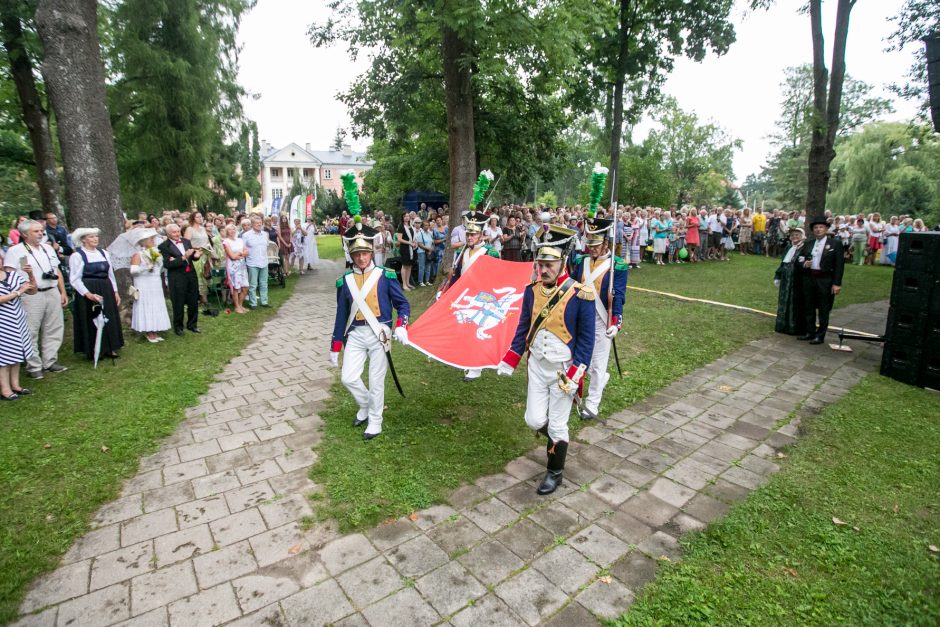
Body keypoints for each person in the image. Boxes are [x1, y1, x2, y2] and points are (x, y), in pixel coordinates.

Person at [497, 225, 595, 495]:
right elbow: (523, 328)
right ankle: (557, 442)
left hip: (564, 371)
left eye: (549, 264)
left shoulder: (580, 293)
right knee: (533, 419)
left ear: (562, 262)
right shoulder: (531, 291)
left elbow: (587, 342)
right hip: (537, 367)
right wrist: (511, 359)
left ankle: (555, 472)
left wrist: (575, 375)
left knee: (558, 423)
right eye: (541, 264)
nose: (543, 270)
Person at [329, 224, 410, 440]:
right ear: (352, 255)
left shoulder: (386, 276)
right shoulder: (344, 281)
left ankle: (375, 420)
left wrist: (402, 325)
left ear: (371, 253)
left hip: (379, 334)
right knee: (348, 378)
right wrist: (335, 345)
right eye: (357, 254)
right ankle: (365, 405)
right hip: (355, 334)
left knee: (376, 381)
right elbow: (341, 315)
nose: (362, 258)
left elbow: (403, 305)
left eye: (365, 253)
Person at [568, 217, 627, 420]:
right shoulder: (581, 261)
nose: (591, 248)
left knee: (599, 364)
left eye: (596, 244)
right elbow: (572, 288)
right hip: (581, 319)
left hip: (602, 319)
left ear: (605, 243)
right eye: (589, 244)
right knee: (583, 360)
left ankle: (592, 404)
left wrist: (616, 322)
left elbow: (618, 296)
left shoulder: (616, 266)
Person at [3, 219, 69, 379]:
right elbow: (9, 273)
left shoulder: (47, 248)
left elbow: (56, 270)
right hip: (31, 294)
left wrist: (62, 292)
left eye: (41, 231)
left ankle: (50, 361)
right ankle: (34, 365)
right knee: (31, 329)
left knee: (54, 326)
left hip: (51, 289)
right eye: (36, 231)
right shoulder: (16, 251)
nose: (40, 233)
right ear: (25, 234)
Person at [441, 211, 500, 382]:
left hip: (482, 298)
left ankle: (476, 367)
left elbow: (495, 279)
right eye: (468, 233)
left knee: (477, 331)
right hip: (466, 297)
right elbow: (457, 276)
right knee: (464, 329)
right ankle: (466, 359)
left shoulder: (490, 253)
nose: (469, 236)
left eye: (473, 234)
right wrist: (449, 293)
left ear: (481, 234)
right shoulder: (462, 252)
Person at [69, 228, 124, 360]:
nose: (95, 239)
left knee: (108, 316)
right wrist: (87, 294)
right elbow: (74, 279)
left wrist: (115, 291)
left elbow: (110, 274)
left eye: (96, 236)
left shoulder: (103, 253)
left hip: (105, 288)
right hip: (89, 289)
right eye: (91, 237)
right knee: (91, 317)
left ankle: (110, 347)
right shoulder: (77, 256)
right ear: (83, 239)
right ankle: (93, 349)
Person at [797, 216, 844, 345]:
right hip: (809, 277)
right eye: (816, 228)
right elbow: (799, 259)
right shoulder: (808, 244)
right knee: (809, 306)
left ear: (826, 229)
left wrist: (836, 283)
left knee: (824, 308)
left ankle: (820, 335)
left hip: (825, 279)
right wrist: (804, 264)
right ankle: (809, 332)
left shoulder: (835, 244)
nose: (818, 230)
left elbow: (839, 265)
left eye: (821, 227)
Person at [0, 260, 36, 400]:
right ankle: (5, 389)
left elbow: (33, 289)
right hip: (3, 322)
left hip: (18, 319)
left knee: (17, 353)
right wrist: (18, 292)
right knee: (4, 356)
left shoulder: (13, 275)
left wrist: (30, 274)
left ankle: (15, 385)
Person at [158, 223, 201, 336]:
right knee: (178, 302)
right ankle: (178, 327)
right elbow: (168, 264)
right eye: (174, 232)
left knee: (193, 300)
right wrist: (183, 257)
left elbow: (191, 258)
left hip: (191, 275)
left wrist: (196, 256)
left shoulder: (186, 241)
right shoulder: (164, 246)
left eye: (178, 231)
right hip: (177, 278)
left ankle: (192, 324)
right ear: (168, 234)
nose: (177, 234)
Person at [129, 228, 171, 342]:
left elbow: (160, 269)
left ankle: (155, 329)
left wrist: (159, 264)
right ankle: (148, 331)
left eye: (153, 238)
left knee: (156, 304)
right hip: (144, 283)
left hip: (155, 282)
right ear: (143, 241)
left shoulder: (155, 252)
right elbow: (133, 270)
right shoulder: (138, 254)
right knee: (146, 304)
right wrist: (145, 268)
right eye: (150, 239)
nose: (153, 240)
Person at [774, 227, 807, 336]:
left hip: (797, 280)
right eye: (793, 235)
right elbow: (783, 263)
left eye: (797, 235)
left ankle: (793, 327)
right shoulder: (789, 247)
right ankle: (782, 325)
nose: (794, 237)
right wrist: (777, 276)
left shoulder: (805, 248)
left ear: (802, 236)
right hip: (786, 279)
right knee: (784, 301)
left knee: (794, 302)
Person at [242, 215, 270, 308]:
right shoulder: (246, 235)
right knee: (253, 285)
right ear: (252, 224)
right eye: (256, 223)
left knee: (264, 283)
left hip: (264, 262)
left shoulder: (265, 234)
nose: (259, 225)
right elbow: (243, 249)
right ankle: (253, 303)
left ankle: (264, 302)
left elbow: (267, 247)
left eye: (260, 223)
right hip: (252, 262)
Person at [185, 212, 212, 304]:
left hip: (205, 253)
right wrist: (196, 248)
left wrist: (208, 247)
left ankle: (204, 297)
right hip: (195, 255)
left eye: (201, 216)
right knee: (198, 275)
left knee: (205, 274)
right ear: (193, 218)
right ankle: (199, 298)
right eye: (198, 217)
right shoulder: (189, 229)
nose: (200, 218)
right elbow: (186, 243)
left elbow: (207, 241)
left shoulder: (203, 228)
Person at [222, 224, 250, 314]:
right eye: (230, 230)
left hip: (242, 266)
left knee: (245, 287)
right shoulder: (226, 242)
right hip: (233, 268)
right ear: (227, 231)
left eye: (234, 229)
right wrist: (240, 254)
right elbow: (232, 256)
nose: (232, 231)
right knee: (236, 288)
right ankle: (237, 307)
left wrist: (239, 254)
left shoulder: (240, 240)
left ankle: (241, 305)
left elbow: (247, 252)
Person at [397, 213, 416, 290]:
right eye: (405, 216)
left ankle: (408, 283)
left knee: (410, 266)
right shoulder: (401, 227)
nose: (406, 217)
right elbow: (399, 239)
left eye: (407, 216)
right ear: (402, 217)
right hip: (405, 248)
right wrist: (409, 243)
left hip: (412, 248)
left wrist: (414, 242)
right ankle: (404, 285)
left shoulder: (411, 226)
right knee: (405, 266)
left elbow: (413, 236)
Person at [415, 220, 435, 286]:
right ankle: (420, 281)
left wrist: (431, 248)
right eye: (425, 225)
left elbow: (432, 242)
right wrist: (427, 248)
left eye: (428, 225)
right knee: (422, 266)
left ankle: (427, 281)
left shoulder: (430, 233)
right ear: (422, 226)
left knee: (428, 266)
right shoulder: (420, 233)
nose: (427, 226)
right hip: (422, 252)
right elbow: (419, 244)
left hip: (429, 252)